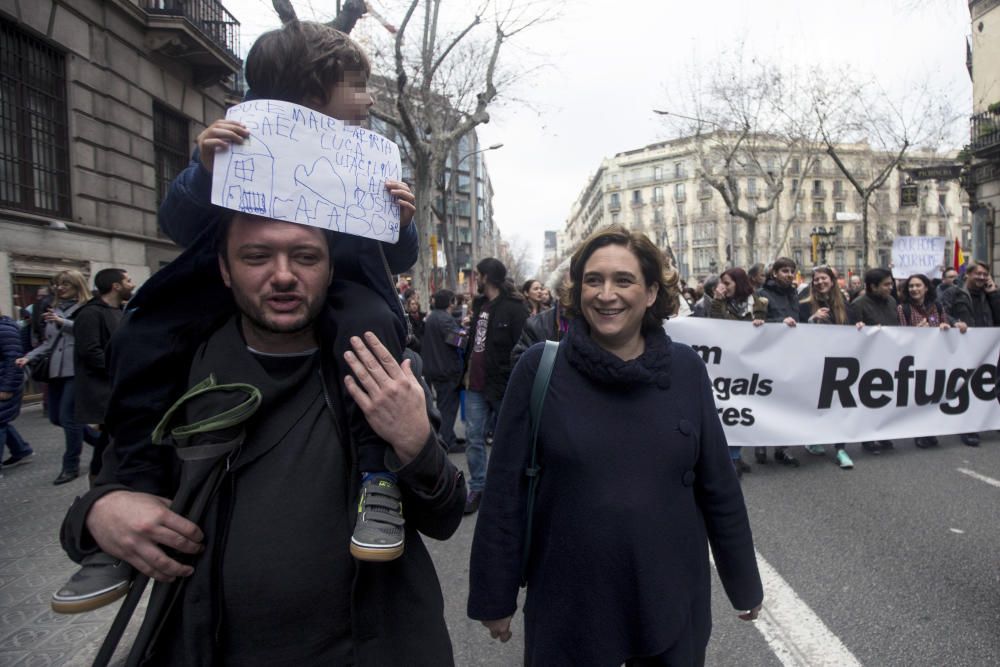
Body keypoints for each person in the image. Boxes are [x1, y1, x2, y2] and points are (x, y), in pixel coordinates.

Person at [60, 213, 465, 664]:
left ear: (331, 267)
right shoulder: (175, 374)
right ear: (224, 269)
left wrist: (415, 444)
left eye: (306, 257)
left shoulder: (382, 368)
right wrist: (99, 513)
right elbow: (102, 494)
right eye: (256, 257)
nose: (284, 276)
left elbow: (445, 514)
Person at [102, 20, 418, 567]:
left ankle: (377, 477)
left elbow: (400, 257)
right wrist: (204, 170)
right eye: (359, 85)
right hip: (221, 282)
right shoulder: (234, 137)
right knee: (145, 327)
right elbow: (177, 223)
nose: (369, 100)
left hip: (342, 285)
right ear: (315, 91)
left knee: (375, 329)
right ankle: (132, 481)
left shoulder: (371, 158)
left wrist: (403, 221)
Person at [468, 225, 763, 665]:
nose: (607, 294)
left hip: (670, 603)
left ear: (650, 294)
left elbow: (718, 486)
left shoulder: (687, 371)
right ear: (577, 290)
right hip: (570, 607)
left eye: (623, 280)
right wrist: (495, 596)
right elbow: (504, 490)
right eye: (593, 280)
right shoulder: (539, 369)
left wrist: (744, 584)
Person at [49, 269, 137, 615]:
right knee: (107, 446)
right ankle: (99, 492)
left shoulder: (119, 312)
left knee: (110, 442)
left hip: (120, 392)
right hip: (105, 393)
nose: (131, 284)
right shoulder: (91, 314)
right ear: (115, 285)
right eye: (126, 279)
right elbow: (91, 353)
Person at [17, 270, 100, 484]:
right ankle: (101, 443)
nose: (60, 288)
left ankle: (70, 465)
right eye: (58, 284)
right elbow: (48, 342)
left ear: (76, 285)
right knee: (56, 417)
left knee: (69, 418)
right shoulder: (53, 309)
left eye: (65, 284)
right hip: (55, 370)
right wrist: (28, 357)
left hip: (77, 370)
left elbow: (89, 333)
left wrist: (63, 322)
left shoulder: (88, 308)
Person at [463, 257, 528, 514]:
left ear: (487, 276)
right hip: (475, 385)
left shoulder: (515, 308)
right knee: (473, 438)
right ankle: (477, 487)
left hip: (502, 385)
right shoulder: (479, 305)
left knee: (508, 440)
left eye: (477, 275)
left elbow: (523, 349)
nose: (475, 279)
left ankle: (506, 490)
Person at [706, 267, 767, 476]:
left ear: (738, 283)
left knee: (743, 411)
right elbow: (715, 326)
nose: (723, 287)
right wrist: (717, 300)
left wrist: (761, 325)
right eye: (722, 283)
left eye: (727, 283)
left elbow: (770, 330)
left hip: (749, 367)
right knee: (729, 411)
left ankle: (736, 454)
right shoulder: (720, 302)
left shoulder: (758, 303)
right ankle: (730, 458)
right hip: (726, 366)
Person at [896, 273, 968, 449]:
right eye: (911, 286)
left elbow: (944, 323)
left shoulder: (936, 305)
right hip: (915, 359)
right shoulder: (903, 308)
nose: (914, 289)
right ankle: (919, 434)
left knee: (933, 395)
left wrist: (948, 326)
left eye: (918, 285)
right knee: (919, 397)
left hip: (936, 358)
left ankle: (931, 431)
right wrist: (916, 331)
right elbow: (899, 334)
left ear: (926, 288)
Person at [798, 267, 858, 469]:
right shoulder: (805, 305)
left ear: (832, 281)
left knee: (839, 405)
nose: (820, 282)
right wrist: (811, 319)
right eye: (816, 280)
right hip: (815, 363)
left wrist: (859, 327)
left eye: (823, 279)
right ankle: (814, 438)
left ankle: (840, 448)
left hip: (840, 363)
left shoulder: (845, 306)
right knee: (818, 403)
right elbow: (794, 332)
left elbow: (851, 330)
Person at [943, 260, 999, 446]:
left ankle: (990, 421)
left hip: (987, 348)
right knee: (966, 388)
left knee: (986, 386)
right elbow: (942, 312)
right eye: (979, 274)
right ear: (967, 274)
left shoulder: (989, 294)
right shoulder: (953, 292)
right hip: (964, 346)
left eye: (985, 274)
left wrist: (994, 295)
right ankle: (968, 428)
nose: (982, 278)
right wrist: (954, 323)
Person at [755, 258, 800, 466]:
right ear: (774, 273)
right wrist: (779, 324)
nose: (789, 274)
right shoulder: (762, 295)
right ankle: (760, 442)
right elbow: (756, 325)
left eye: (792, 271)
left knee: (785, 403)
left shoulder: (794, 294)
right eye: (784, 270)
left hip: (789, 355)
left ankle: (782, 447)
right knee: (766, 401)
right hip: (768, 355)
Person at [848, 268, 898, 454]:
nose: (890, 288)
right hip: (867, 362)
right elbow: (852, 334)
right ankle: (867, 439)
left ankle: (883, 433)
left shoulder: (892, 302)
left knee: (885, 397)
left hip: (888, 357)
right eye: (886, 285)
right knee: (868, 400)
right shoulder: (858, 305)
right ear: (872, 286)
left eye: (891, 284)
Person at [422, 289, 466, 453]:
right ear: (450, 302)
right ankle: (446, 441)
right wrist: (465, 332)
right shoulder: (444, 320)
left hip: (436, 368)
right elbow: (457, 341)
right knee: (448, 409)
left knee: (443, 406)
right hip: (446, 370)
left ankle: (448, 436)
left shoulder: (433, 316)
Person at [0, 306, 33, 474]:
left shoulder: (5, 329)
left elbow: (14, 358)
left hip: (5, 383)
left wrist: (7, 387)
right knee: (2, 420)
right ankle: (21, 450)